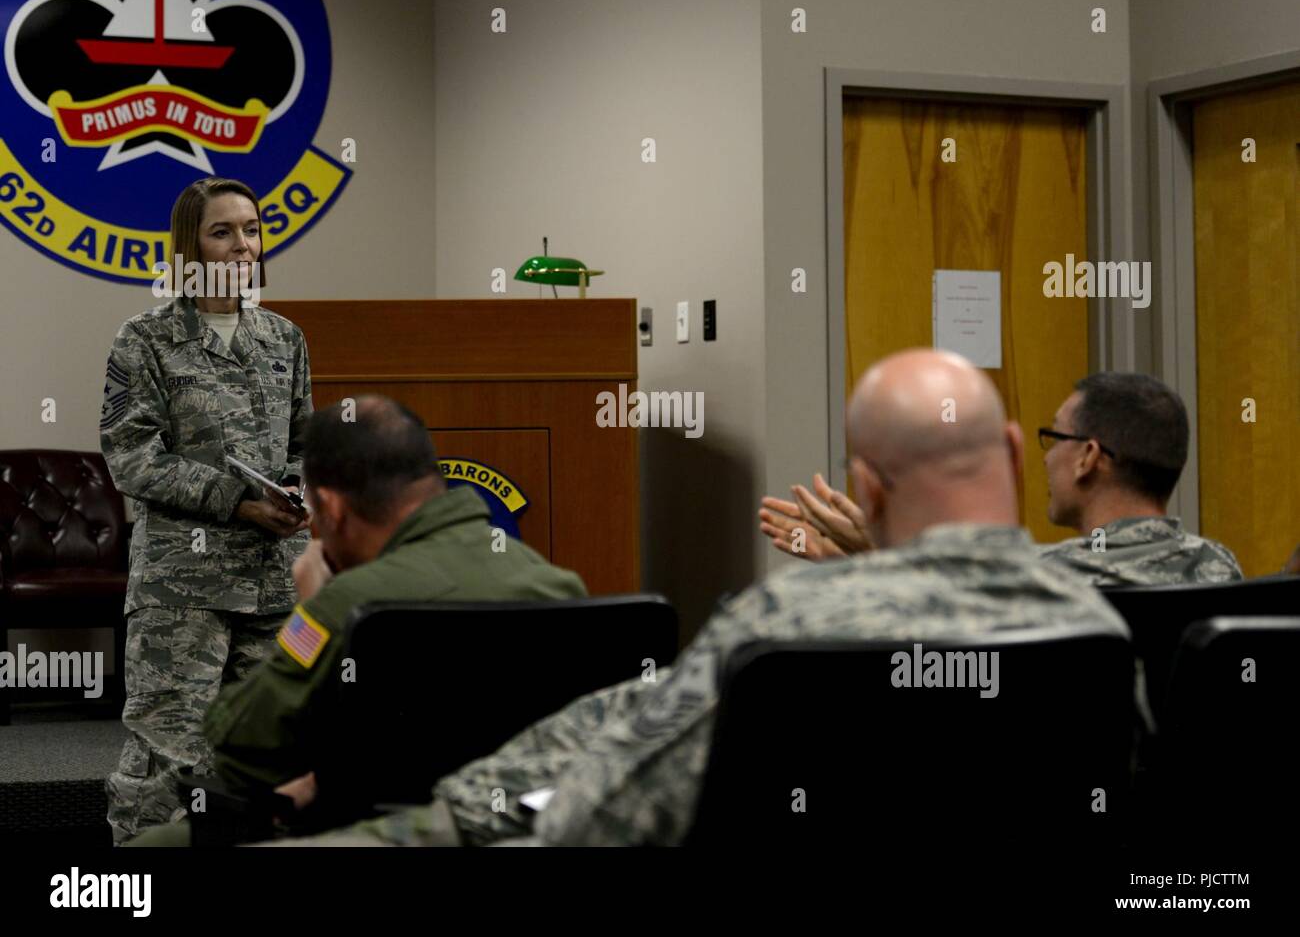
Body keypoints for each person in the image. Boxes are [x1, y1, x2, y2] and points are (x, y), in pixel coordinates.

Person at [282, 348, 1131, 847]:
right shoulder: (1098, 632)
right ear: (1019, 454)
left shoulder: (788, 633)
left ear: (867, 490)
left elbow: (588, 824)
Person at [126, 395, 588, 845]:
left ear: (334, 508)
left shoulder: (343, 606)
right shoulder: (559, 586)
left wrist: (307, 613)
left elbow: (241, 750)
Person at [101, 177, 312, 844]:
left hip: (275, 583)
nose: (241, 244)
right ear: (189, 245)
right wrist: (236, 500)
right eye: (222, 231)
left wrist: (299, 496)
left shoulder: (284, 339)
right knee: (165, 761)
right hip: (183, 591)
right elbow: (131, 457)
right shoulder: (146, 339)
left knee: (269, 757)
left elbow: (304, 446)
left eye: (251, 229)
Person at [762, 372, 1243, 587]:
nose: (1046, 457)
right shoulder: (1221, 569)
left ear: (1088, 458)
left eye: (1054, 437)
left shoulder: (1048, 579)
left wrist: (881, 547)